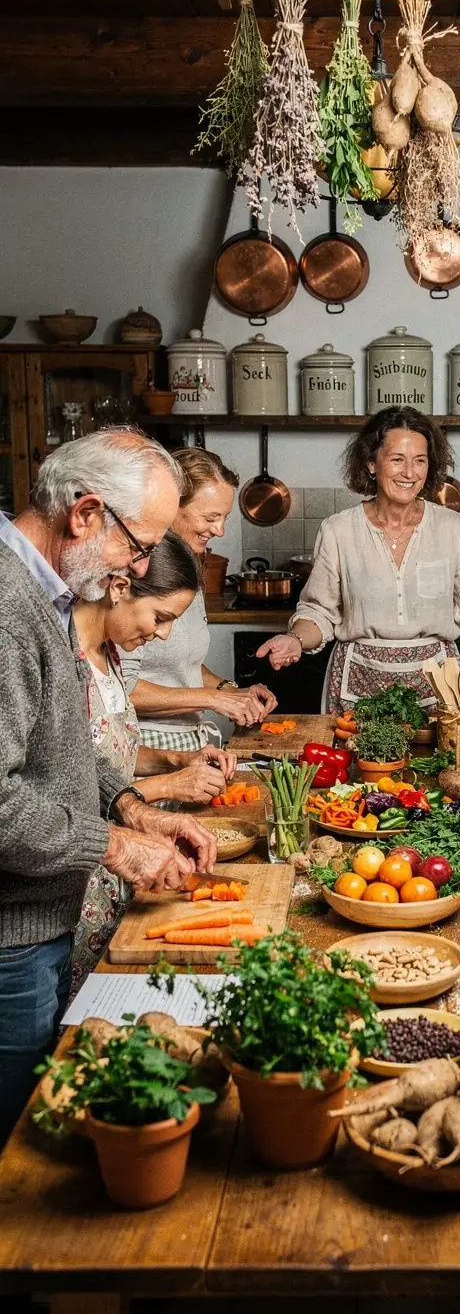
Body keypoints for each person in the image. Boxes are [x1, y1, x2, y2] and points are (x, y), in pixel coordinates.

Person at [0, 429, 217, 1147]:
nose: (143, 565)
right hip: (12, 944)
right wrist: (115, 844)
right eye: (139, 542)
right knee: (26, 1158)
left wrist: (133, 810)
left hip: (43, 920)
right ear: (86, 513)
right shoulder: (7, 606)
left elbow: (64, 749)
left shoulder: (50, 595)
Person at [256, 407, 460, 713]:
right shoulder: (339, 530)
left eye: (420, 461)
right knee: (356, 777)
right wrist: (295, 639)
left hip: (437, 689)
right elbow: (319, 613)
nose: (409, 473)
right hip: (357, 688)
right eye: (397, 459)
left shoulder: (452, 528)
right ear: (371, 463)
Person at [70, 531, 238, 995]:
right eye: (161, 617)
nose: (163, 633)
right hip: (80, 874)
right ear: (121, 588)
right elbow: (65, 787)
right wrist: (162, 791)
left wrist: (171, 759)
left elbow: (107, 755)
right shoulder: (67, 660)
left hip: (119, 868)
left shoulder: (112, 656)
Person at [124, 447, 276, 749]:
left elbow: (183, 667)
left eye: (225, 517)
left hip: (190, 738)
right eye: (211, 517)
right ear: (171, 505)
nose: (219, 530)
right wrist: (214, 699)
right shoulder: (136, 573)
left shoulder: (188, 565)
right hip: (145, 744)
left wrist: (231, 691)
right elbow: (120, 688)